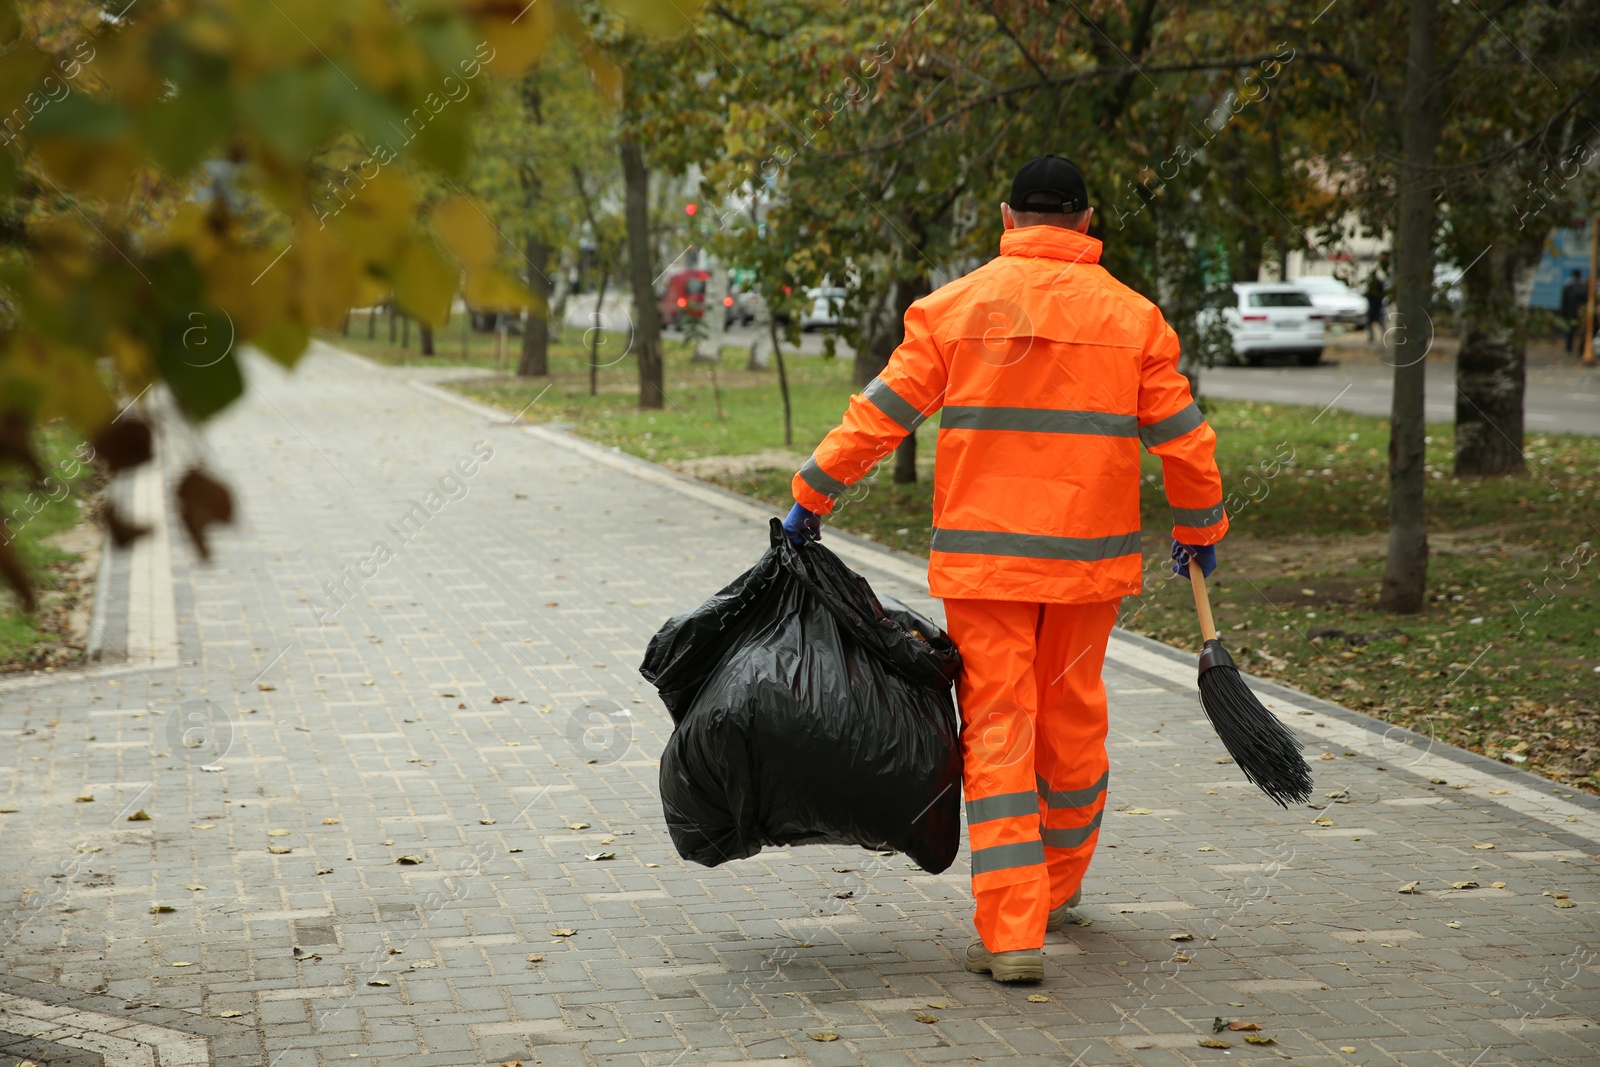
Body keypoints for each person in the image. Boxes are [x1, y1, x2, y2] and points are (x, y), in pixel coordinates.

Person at [781, 155, 1228, 984]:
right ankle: (1057, 886)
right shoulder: (1135, 318)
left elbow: (881, 413)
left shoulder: (955, 307)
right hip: (1089, 571)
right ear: (1088, 223)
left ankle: (1014, 930)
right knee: (1074, 723)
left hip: (987, 568)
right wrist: (1201, 525)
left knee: (998, 731)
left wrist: (813, 495)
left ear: (1007, 215)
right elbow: (1185, 437)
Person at [1561, 270, 1588, 356]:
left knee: (1570, 332)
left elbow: (1564, 302)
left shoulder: (1568, 287)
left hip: (1570, 314)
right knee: (1581, 332)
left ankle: (1569, 349)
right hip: (1582, 314)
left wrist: (1564, 314)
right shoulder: (1584, 287)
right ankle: (1581, 350)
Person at [1365, 275, 1386, 344]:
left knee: (1379, 323)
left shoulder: (1376, 291)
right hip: (1376, 308)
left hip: (1375, 308)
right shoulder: (1379, 289)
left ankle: (1380, 336)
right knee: (1378, 323)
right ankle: (1374, 337)